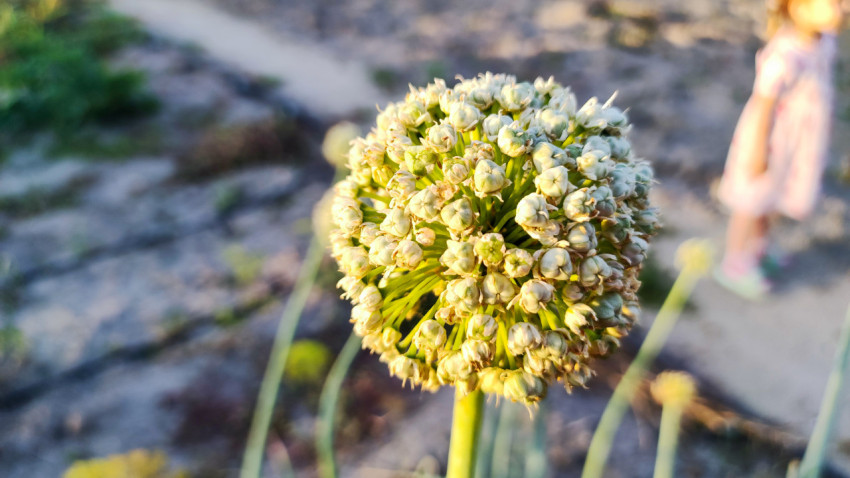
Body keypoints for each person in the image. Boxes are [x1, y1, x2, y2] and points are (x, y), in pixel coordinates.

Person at [714, 0, 845, 300]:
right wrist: (757, 151)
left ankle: (759, 246)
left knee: (775, 196)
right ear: (798, 8)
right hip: (772, 139)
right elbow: (763, 107)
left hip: (799, 142)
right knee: (752, 198)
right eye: (831, 3)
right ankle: (735, 261)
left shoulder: (824, 39)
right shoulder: (784, 56)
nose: (840, 9)